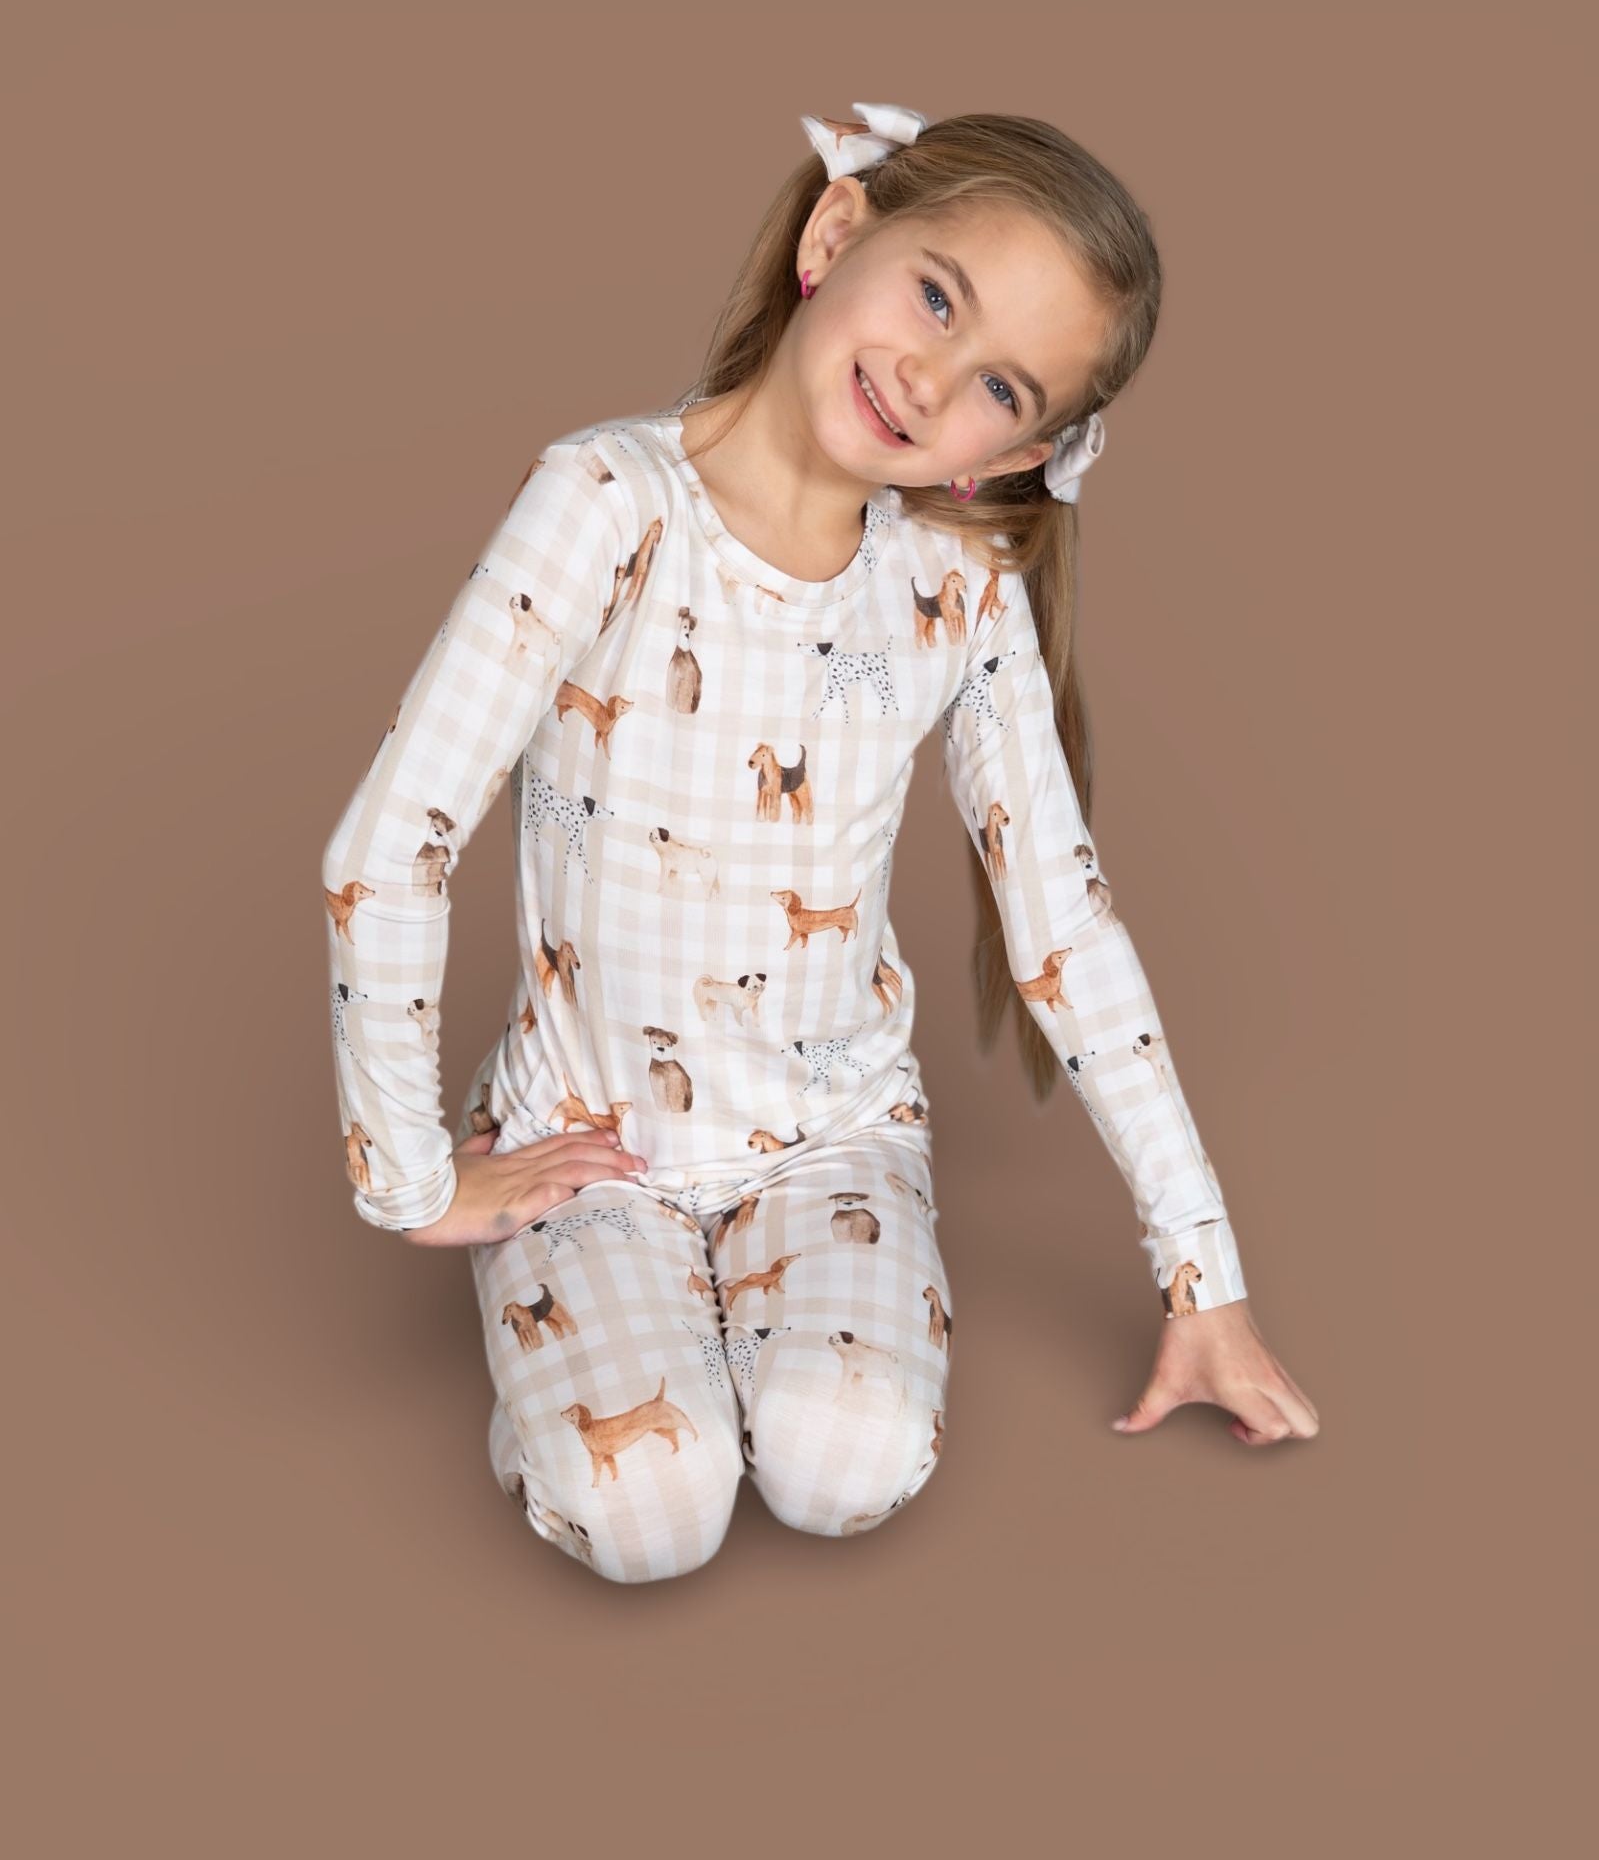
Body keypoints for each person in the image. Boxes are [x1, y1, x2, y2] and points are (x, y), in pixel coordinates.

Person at [321, 99, 1319, 1583]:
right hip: (593, 1137)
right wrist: (408, 1177)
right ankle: (602, 1334)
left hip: (835, 1134)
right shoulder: (607, 504)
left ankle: (768, 1303)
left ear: (1016, 454)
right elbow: (391, 842)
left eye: (998, 385)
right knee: (647, 1514)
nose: (928, 378)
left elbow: (1063, 927)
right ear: (835, 232)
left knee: (847, 1470)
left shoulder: (956, 594)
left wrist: (1205, 1278)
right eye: (937, 298)